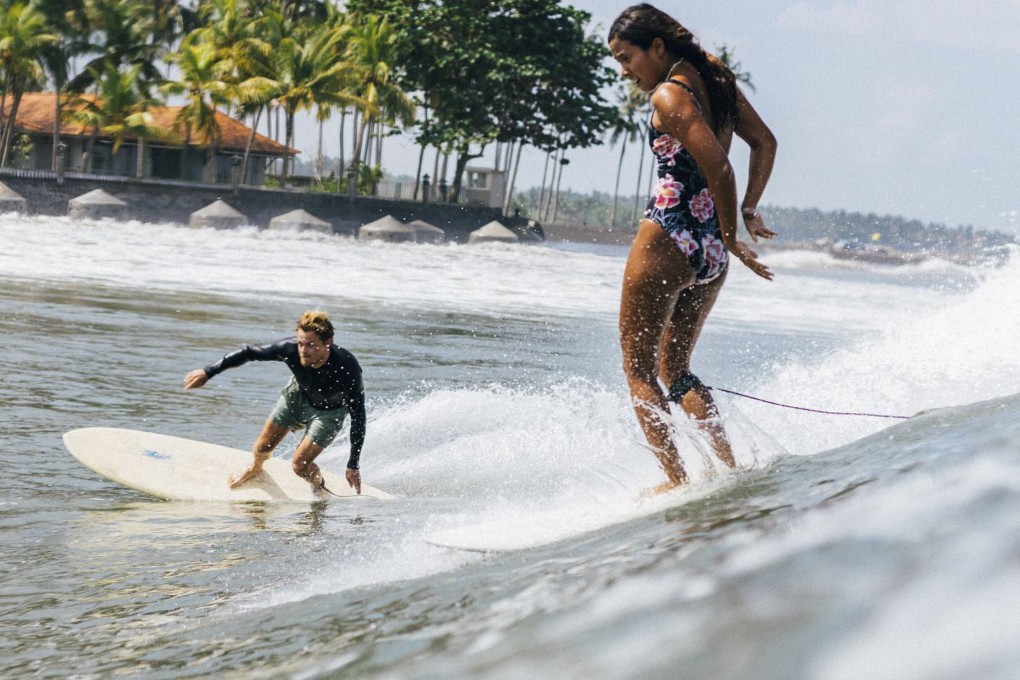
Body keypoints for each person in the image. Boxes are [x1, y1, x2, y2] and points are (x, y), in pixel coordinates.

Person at [608, 4, 778, 489]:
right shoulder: (714, 77)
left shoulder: (669, 95)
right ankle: (728, 469)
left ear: (657, 47)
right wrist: (741, 216)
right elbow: (764, 143)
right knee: (675, 369)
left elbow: (719, 166)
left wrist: (735, 235)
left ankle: (676, 481)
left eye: (627, 57)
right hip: (708, 251)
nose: (624, 71)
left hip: (667, 235)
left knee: (639, 371)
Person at [183, 310, 365, 495]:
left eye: (310, 345)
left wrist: (353, 464)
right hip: (297, 395)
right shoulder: (289, 349)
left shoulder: (347, 368)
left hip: (329, 411)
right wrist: (208, 372)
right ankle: (255, 467)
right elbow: (248, 352)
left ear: (328, 342)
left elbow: (358, 415)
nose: (303, 350)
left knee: (300, 465)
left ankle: (319, 485)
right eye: (301, 343)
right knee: (262, 448)